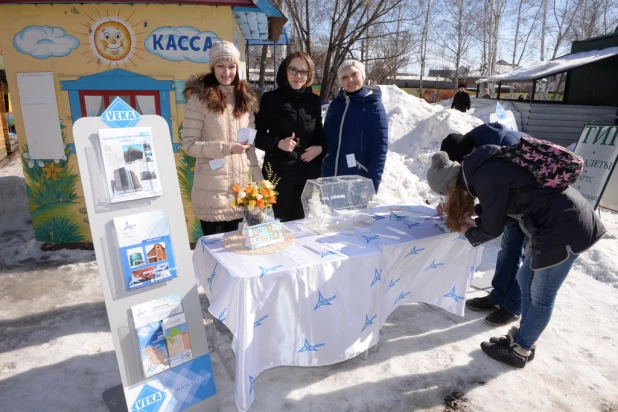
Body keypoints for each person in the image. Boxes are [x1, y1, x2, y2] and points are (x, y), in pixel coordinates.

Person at [426, 148, 606, 368]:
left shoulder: (485, 176)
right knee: (524, 279)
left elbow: (492, 228)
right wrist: (476, 218)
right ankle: (525, 337)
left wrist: (466, 231)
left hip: (565, 228)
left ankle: (521, 349)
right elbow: (508, 203)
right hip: (551, 223)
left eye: (447, 194)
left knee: (542, 295)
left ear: (453, 186)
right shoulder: (482, 168)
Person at [439, 123, 529, 326]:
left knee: (525, 257)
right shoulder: (479, 147)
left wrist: (472, 230)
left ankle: (513, 306)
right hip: (516, 204)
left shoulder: (505, 147)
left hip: (536, 208)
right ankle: (497, 297)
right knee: (509, 250)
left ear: (464, 156)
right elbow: (492, 196)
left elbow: (496, 206)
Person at [182, 40, 262, 236]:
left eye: (231, 66)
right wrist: (227, 147)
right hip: (212, 192)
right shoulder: (199, 99)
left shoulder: (245, 98)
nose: (227, 72)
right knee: (215, 253)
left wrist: (258, 177)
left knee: (234, 250)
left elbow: (249, 144)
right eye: (221, 66)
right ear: (212, 67)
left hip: (239, 191)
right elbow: (189, 145)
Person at [254, 52, 325, 222]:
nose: (298, 76)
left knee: (303, 222)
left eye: (303, 71)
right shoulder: (271, 99)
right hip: (280, 171)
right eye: (293, 69)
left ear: (309, 75)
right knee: (281, 222)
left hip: (307, 171)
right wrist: (278, 143)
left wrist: (320, 148)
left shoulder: (313, 101)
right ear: (285, 70)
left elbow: (319, 133)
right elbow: (257, 136)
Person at [321, 60, 389, 192]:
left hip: (357, 182)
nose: (350, 80)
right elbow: (326, 139)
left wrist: (372, 186)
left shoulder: (374, 107)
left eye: (354, 74)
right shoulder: (335, 105)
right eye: (344, 77)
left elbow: (379, 149)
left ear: (363, 76)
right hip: (329, 178)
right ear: (340, 81)